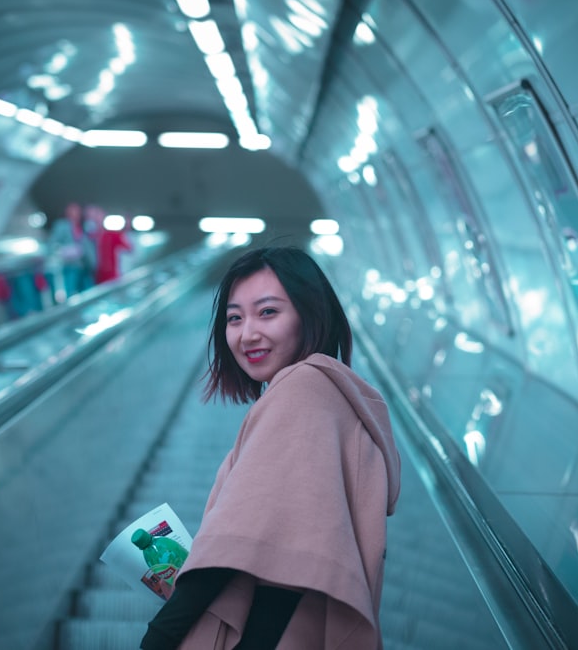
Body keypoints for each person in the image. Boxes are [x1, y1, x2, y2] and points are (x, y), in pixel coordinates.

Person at [140, 246, 402, 650]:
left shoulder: (302, 389)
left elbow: (240, 541)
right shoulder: (329, 395)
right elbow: (296, 545)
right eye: (234, 318)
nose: (247, 334)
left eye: (268, 312)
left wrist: (160, 635)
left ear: (309, 314)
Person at [46, 202, 96, 300]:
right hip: (70, 265)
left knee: (87, 292)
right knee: (70, 291)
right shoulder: (62, 225)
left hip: (84, 264)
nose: (75, 213)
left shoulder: (85, 226)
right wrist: (66, 251)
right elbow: (52, 243)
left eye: (77, 211)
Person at [94, 214, 133, 284]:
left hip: (111, 272)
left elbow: (129, 248)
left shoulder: (114, 235)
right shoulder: (93, 235)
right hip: (96, 272)